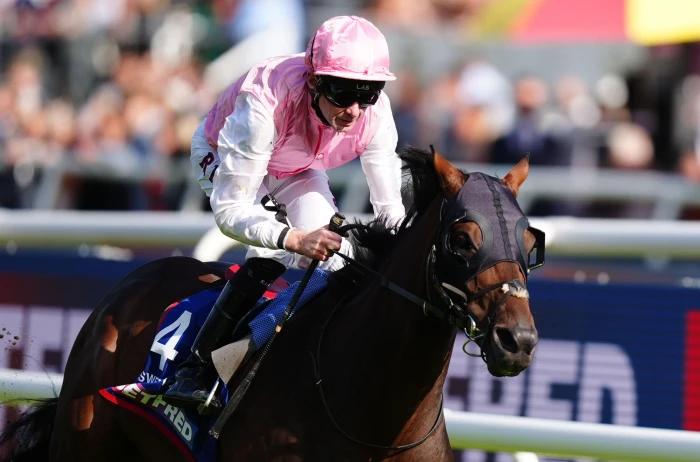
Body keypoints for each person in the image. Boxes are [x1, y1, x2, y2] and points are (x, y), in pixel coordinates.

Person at [163, 15, 405, 410]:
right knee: (272, 252)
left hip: (296, 165)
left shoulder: (376, 115)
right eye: (342, 93)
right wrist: (292, 238)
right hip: (226, 153)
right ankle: (199, 368)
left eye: (369, 94)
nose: (355, 110)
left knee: (337, 259)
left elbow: (390, 209)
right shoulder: (264, 101)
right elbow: (231, 211)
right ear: (314, 82)